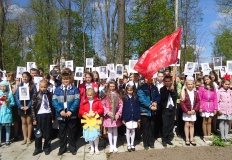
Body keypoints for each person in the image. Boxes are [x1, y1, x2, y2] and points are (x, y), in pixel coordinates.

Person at [52, 72, 80, 156]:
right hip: (61, 114)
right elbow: (54, 100)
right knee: (62, 132)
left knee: (72, 132)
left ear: (70, 79)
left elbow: (77, 99)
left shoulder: (74, 88)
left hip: (71, 114)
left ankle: (72, 148)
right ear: (61, 79)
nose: (66, 80)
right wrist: (60, 110)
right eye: (64, 79)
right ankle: (62, 148)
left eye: (67, 79)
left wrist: (71, 110)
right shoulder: (57, 89)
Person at [31, 80, 55, 156]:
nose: (43, 88)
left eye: (45, 87)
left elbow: (52, 106)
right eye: (41, 87)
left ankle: (47, 147)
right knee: (38, 133)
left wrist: (53, 117)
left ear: (47, 87)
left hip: (47, 114)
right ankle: (38, 148)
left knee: (47, 133)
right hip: (39, 115)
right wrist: (34, 119)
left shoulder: (50, 94)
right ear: (39, 87)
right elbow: (32, 107)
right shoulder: (36, 95)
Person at [137, 77, 160, 149]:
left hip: (153, 111)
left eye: (151, 78)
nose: (150, 79)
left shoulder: (155, 88)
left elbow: (158, 96)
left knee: (152, 127)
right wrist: (149, 105)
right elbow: (141, 99)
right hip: (145, 110)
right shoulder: (141, 88)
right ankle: (146, 143)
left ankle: (151, 142)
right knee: (145, 127)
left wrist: (155, 102)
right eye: (148, 78)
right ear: (145, 79)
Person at [79, 88, 104, 155]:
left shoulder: (98, 101)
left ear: (94, 95)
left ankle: (96, 147)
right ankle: (92, 147)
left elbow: (101, 109)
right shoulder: (84, 102)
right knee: (89, 134)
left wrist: (95, 112)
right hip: (87, 121)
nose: (89, 96)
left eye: (90, 95)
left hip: (95, 120)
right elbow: (80, 110)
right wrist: (86, 113)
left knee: (96, 135)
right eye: (88, 95)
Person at [15, 72, 37, 145]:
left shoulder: (32, 85)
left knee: (29, 122)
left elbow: (34, 96)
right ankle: (24, 137)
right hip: (22, 106)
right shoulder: (20, 85)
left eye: (26, 77)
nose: (24, 78)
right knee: (23, 123)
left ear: (29, 77)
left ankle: (29, 138)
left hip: (29, 106)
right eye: (23, 77)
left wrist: (29, 105)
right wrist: (20, 106)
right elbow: (17, 96)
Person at [102, 80, 123, 153]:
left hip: (115, 114)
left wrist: (118, 113)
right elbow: (103, 104)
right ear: (108, 86)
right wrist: (107, 112)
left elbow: (121, 105)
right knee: (110, 130)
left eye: (113, 86)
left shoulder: (118, 94)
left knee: (115, 130)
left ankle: (114, 144)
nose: (112, 88)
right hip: (108, 115)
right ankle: (111, 144)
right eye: (110, 86)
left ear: (115, 86)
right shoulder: (106, 94)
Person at [180, 76, 200, 146]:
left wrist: (194, 110)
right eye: (189, 84)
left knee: (192, 124)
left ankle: (192, 138)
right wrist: (187, 111)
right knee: (187, 124)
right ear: (186, 85)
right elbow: (182, 103)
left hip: (193, 111)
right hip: (187, 112)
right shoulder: (184, 92)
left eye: (191, 84)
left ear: (193, 84)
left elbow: (198, 102)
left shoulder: (195, 93)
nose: (190, 86)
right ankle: (187, 139)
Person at [198, 75, 218, 144]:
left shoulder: (213, 88)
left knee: (209, 121)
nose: (206, 81)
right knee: (205, 121)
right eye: (205, 79)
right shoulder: (202, 88)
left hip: (211, 105)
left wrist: (215, 108)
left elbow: (215, 98)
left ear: (210, 80)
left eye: (208, 79)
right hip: (204, 105)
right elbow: (199, 98)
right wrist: (200, 107)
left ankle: (209, 135)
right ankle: (205, 136)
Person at [122, 83, 140, 152]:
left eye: (131, 90)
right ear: (126, 90)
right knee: (128, 130)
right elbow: (123, 108)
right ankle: (128, 144)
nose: (130, 91)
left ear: (133, 90)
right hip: (127, 116)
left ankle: (132, 144)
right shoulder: (124, 98)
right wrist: (123, 118)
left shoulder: (135, 97)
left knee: (133, 130)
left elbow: (137, 107)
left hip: (134, 116)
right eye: (128, 90)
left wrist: (138, 117)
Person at [160, 76, 177, 147]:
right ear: (164, 82)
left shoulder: (173, 88)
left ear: (171, 81)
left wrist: (172, 91)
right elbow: (163, 97)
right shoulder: (162, 89)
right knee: (165, 125)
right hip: (165, 109)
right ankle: (164, 139)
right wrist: (169, 90)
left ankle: (169, 139)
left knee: (171, 125)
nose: (167, 83)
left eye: (168, 81)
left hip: (172, 109)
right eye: (166, 81)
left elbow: (176, 97)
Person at [0, 81, 15, 146]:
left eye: (4, 86)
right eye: (1, 86)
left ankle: (7, 140)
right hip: (0, 112)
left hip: (7, 112)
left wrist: (8, 103)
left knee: (7, 126)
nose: (3, 88)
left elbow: (13, 103)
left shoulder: (9, 94)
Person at [6, 71, 20, 141]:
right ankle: (8, 134)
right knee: (7, 119)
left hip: (14, 102)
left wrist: (16, 84)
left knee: (15, 119)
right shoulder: (4, 83)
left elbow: (16, 92)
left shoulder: (17, 83)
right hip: (6, 103)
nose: (8, 77)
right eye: (7, 76)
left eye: (9, 76)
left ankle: (16, 134)